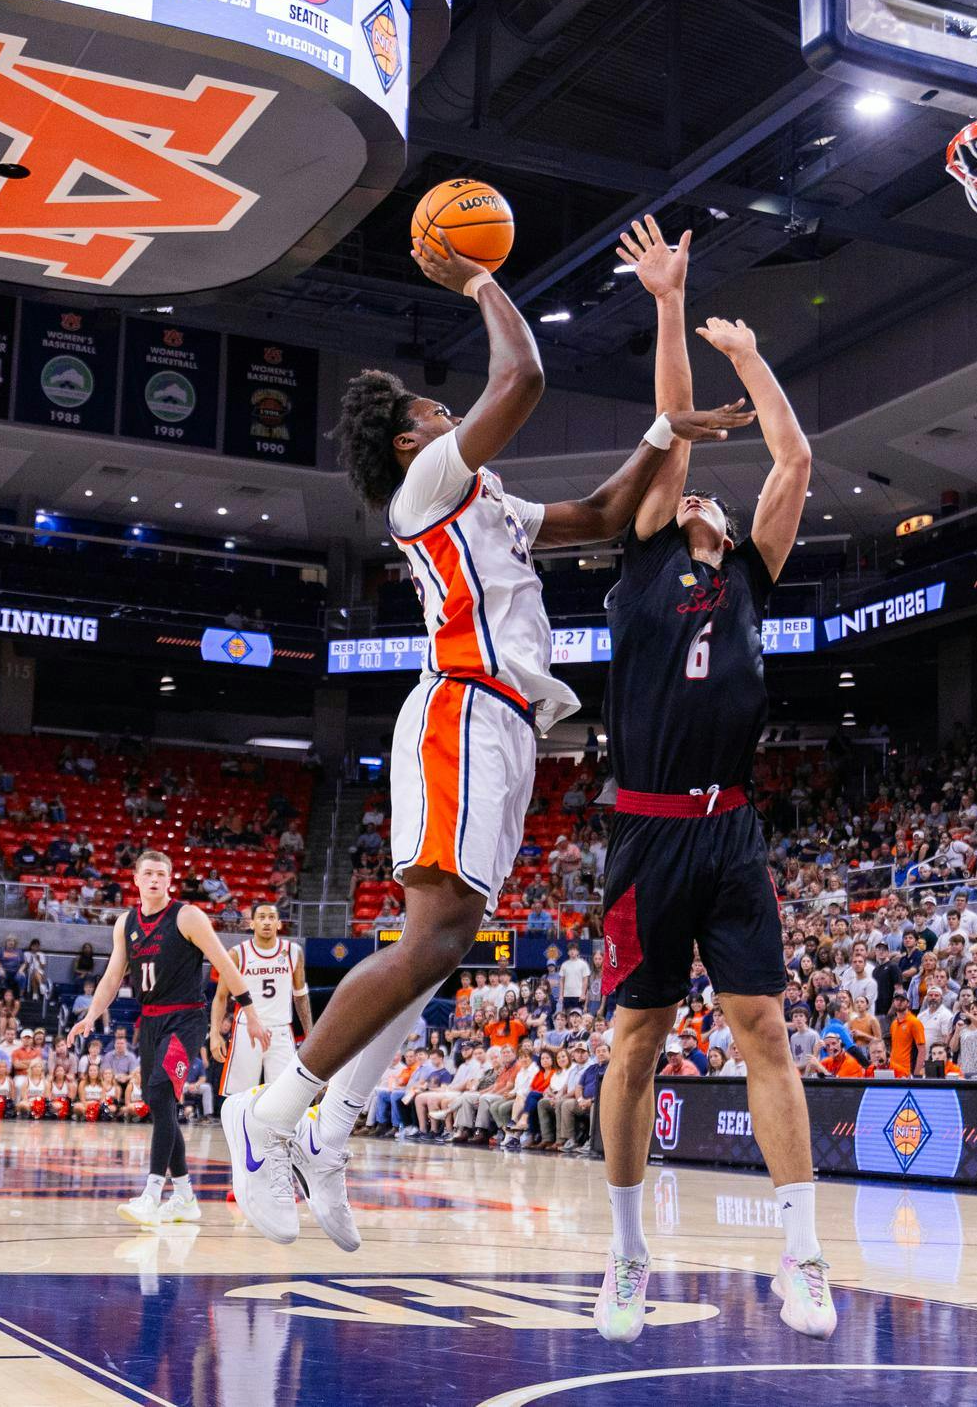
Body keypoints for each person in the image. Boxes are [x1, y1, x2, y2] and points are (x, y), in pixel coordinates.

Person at [231, 220, 751, 1250]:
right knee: (430, 940)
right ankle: (271, 1116)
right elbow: (522, 377)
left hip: (504, 726)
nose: (450, 411)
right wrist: (476, 280)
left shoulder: (485, 498)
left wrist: (664, 408)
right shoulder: (422, 488)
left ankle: (329, 1130)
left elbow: (608, 512)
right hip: (460, 708)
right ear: (408, 442)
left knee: (440, 951)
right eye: (433, 408)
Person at [584, 218, 830, 1342]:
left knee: (763, 1030)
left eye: (709, 503)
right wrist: (670, 308)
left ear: (727, 532)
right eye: (686, 495)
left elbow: (793, 460)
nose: (698, 497)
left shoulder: (749, 580)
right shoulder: (640, 562)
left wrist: (749, 354)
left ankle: (805, 1253)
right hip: (641, 835)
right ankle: (627, 1257)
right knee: (634, 1045)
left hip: (728, 831)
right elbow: (673, 435)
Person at [66, 849, 265, 1227]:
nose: (155, 879)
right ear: (136, 880)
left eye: (161, 873)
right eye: (148, 874)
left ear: (169, 880)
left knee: (159, 1092)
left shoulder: (187, 916)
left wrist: (250, 1012)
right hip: (151, 1022)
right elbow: (112, 977)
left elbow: (224, 963)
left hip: (186, 1019)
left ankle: (153, 1194)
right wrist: (91, 1015)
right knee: (161, 1106)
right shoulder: (125, 923)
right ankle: (186, 1196)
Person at [211, 902, 309, 1114]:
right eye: (262, 917)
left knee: (285, 1097)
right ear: (252, 923)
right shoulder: (238, 953)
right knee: (240, 1098)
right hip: (247, 1030)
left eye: (271, 917)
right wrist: (215, 1033)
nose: (266, 922)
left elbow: (301, 996)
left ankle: (277, 1143)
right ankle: (239, 1141)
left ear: (279, 923)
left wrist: (310, 1032)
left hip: (281, 1030)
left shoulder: (294, 952)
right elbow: (220, 997)